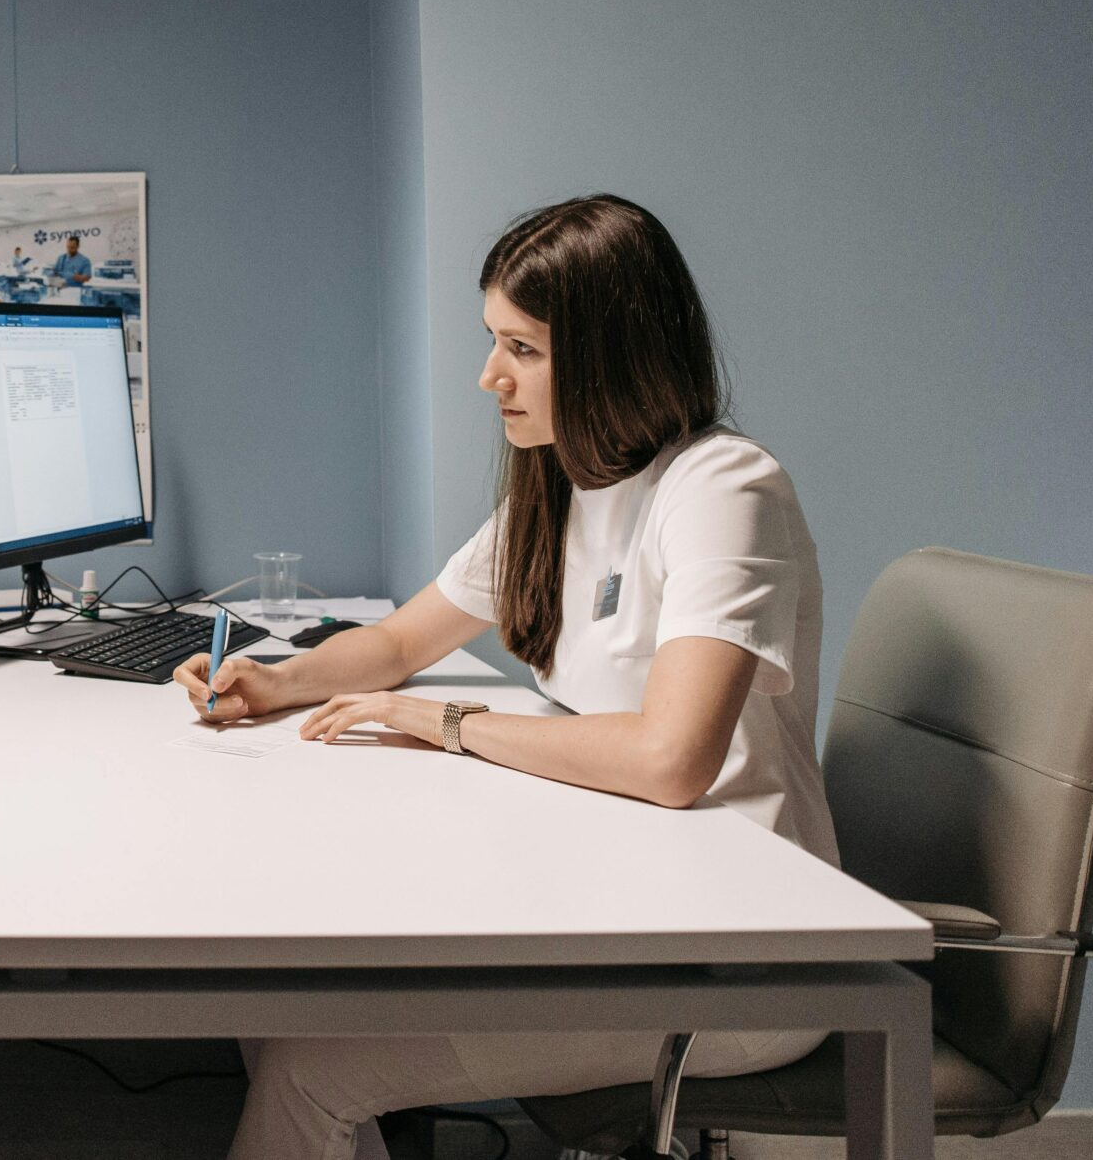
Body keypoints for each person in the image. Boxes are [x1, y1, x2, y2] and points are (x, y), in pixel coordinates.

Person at [175, 195, 837, 1160]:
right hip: (621, 905)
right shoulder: (562, 485)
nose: (490, 376)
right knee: (281, 1000)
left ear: (612, 352)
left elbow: (670, 757)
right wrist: (278, 681)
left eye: (522, 348)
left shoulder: (723, 490)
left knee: (306, 1061)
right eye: (494, 342)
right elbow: (401, 640)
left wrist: (445, 721)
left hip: (738, 959)